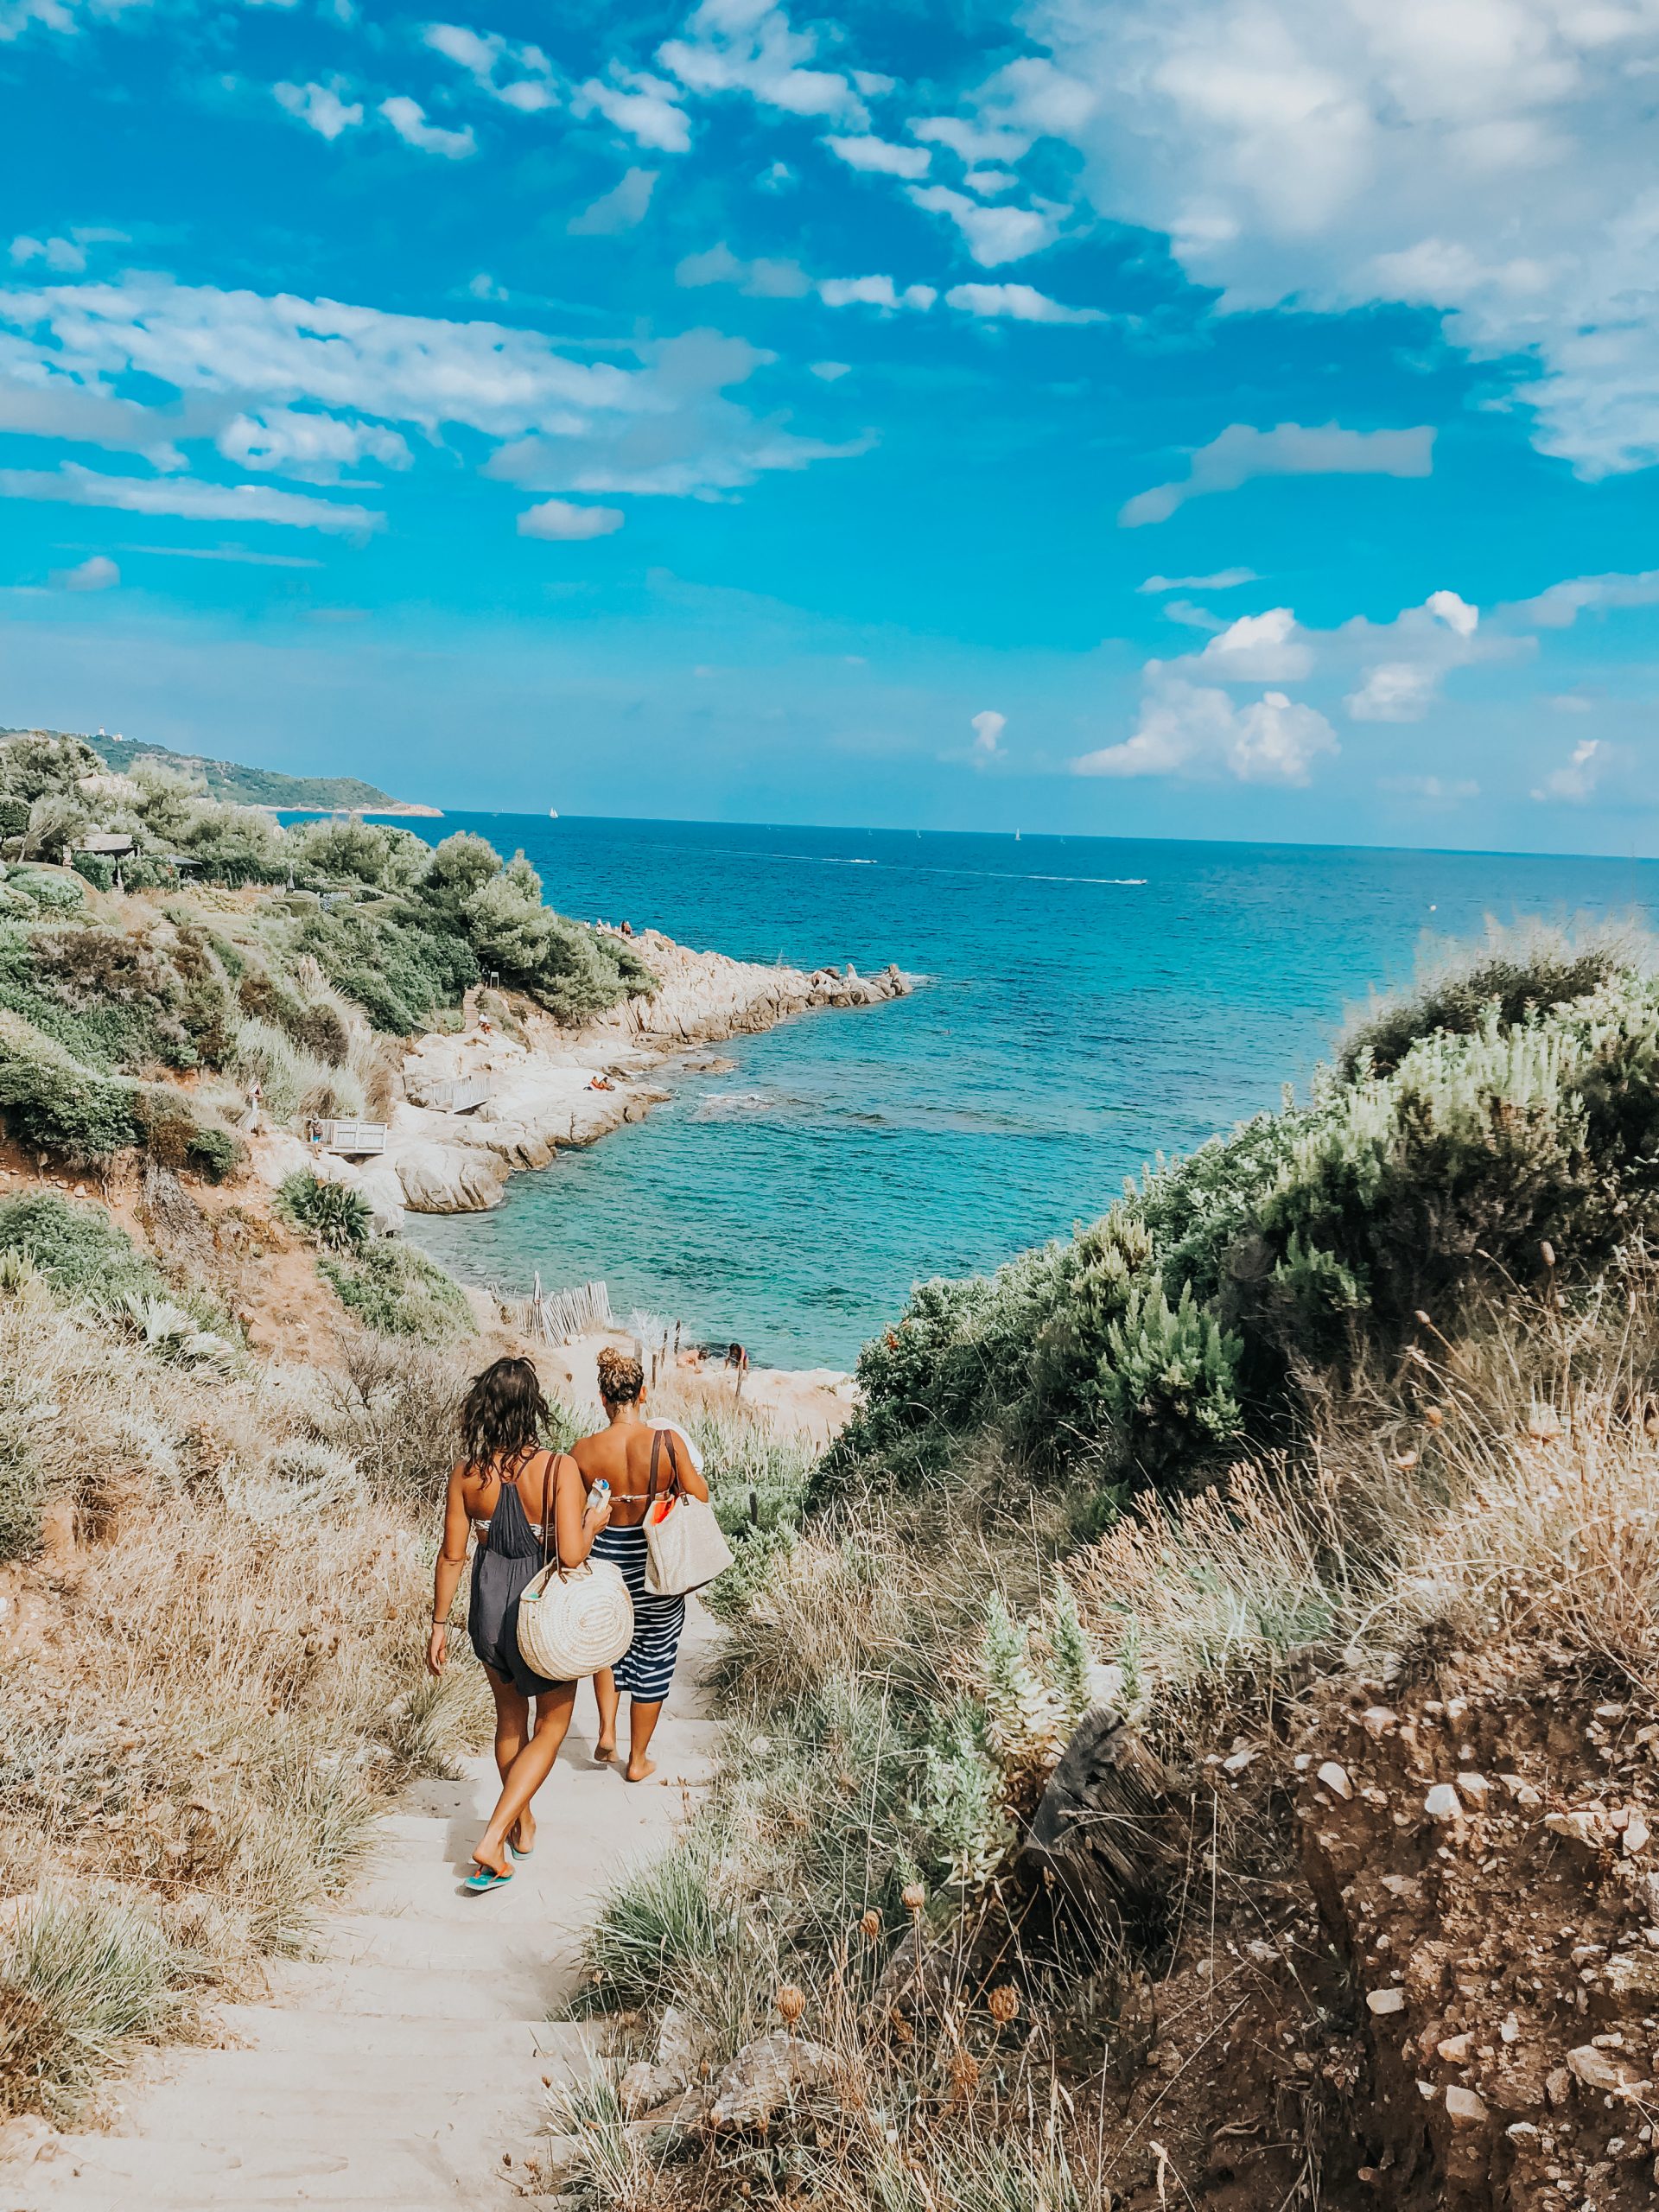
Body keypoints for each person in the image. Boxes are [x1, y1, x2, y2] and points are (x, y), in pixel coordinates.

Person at [428, 1355, 611, 1892]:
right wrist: (593, 1521)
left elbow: (452, 1555)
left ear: (484, 1407)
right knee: (551, 1727)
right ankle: (493, 1836)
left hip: (487, 1610)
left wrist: (438, 1624)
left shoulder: (466, 1475)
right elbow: (571, 1555)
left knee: (510, 1722)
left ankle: (521, 1824)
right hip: (541, 1614)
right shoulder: (558, 1469)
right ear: (532, 1408)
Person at [573, 1345, 709, 1783]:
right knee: (654, 1651)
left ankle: (606, 1732)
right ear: (643, 1394)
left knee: (607, 1644)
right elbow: (701, 1496)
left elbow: (575, 1512)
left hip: (606, 1562)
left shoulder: (583, 1451)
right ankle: (637, 1760)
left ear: (602, 1398)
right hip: (655, 1562)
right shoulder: (666, 1443)